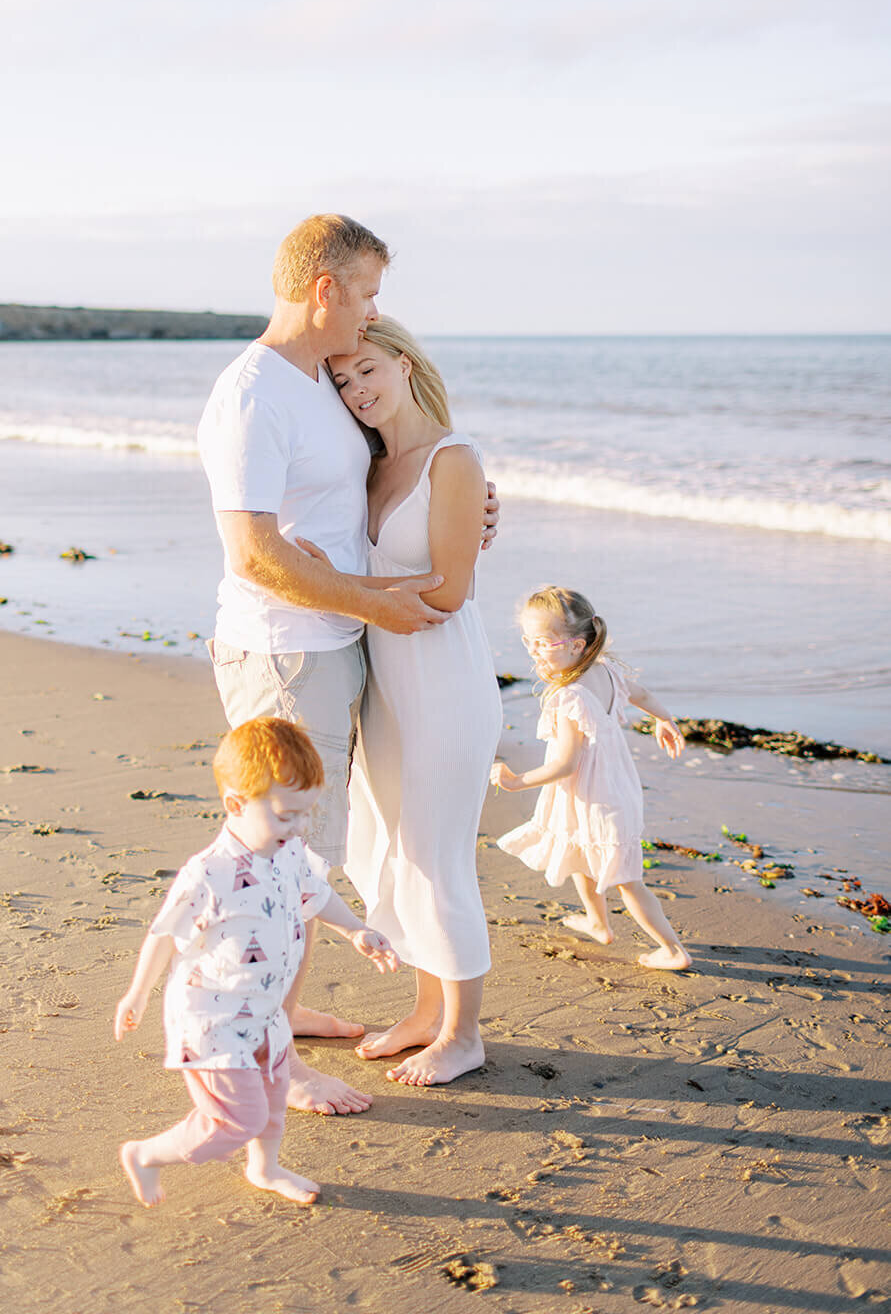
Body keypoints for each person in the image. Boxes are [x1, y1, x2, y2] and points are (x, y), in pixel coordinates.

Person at [197, 213, 498, 1115]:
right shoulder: (254, 391)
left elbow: (395, 469)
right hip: (289, 654)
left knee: (320, 855)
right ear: (325, 289)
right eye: (366, 292)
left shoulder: (315, 384)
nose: (373, 314)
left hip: (341, 651)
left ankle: (285, 1012)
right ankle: (272, 1057)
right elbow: (249, 553)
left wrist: (470, 505)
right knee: (284, 857)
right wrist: (378, 601)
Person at [302, 317, 502, 1086]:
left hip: (446, 684)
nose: (356, 392)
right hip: (386, 690)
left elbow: (449, 592)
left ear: (404, 362)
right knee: (390, 848)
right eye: (343, 383)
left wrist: (338, 584)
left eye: (365, 372)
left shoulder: (453, 460)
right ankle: (424, 1012)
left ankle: (463, 1033)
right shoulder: (373, 465)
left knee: (437, 857)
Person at [114, 717, 398, 1208]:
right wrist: (136, 994)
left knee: (273, 1095)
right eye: (288, 815)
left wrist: (355, 928)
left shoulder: (288, 852)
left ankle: (264, 1168)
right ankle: (145, 1154)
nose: (300, 828)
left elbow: (317, 895)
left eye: (307, 814)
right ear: (236, 805)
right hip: (214, 1022)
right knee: (234, 1119)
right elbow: (163, 934)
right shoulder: (211, 873)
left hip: (266, 1012)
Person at [492, 586, 691, 970]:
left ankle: (672, 950)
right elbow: (643, 694)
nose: (533, 651)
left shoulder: (571, 697)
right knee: (580, 853)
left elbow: (565, 764)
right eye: (528, 641)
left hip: (599, 799)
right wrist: (664, 718)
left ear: (577, 645)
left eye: (544, 643)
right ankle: (598, 922)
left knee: (627, 880)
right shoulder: (608, 671)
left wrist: (516, 781)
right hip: (605, 789)